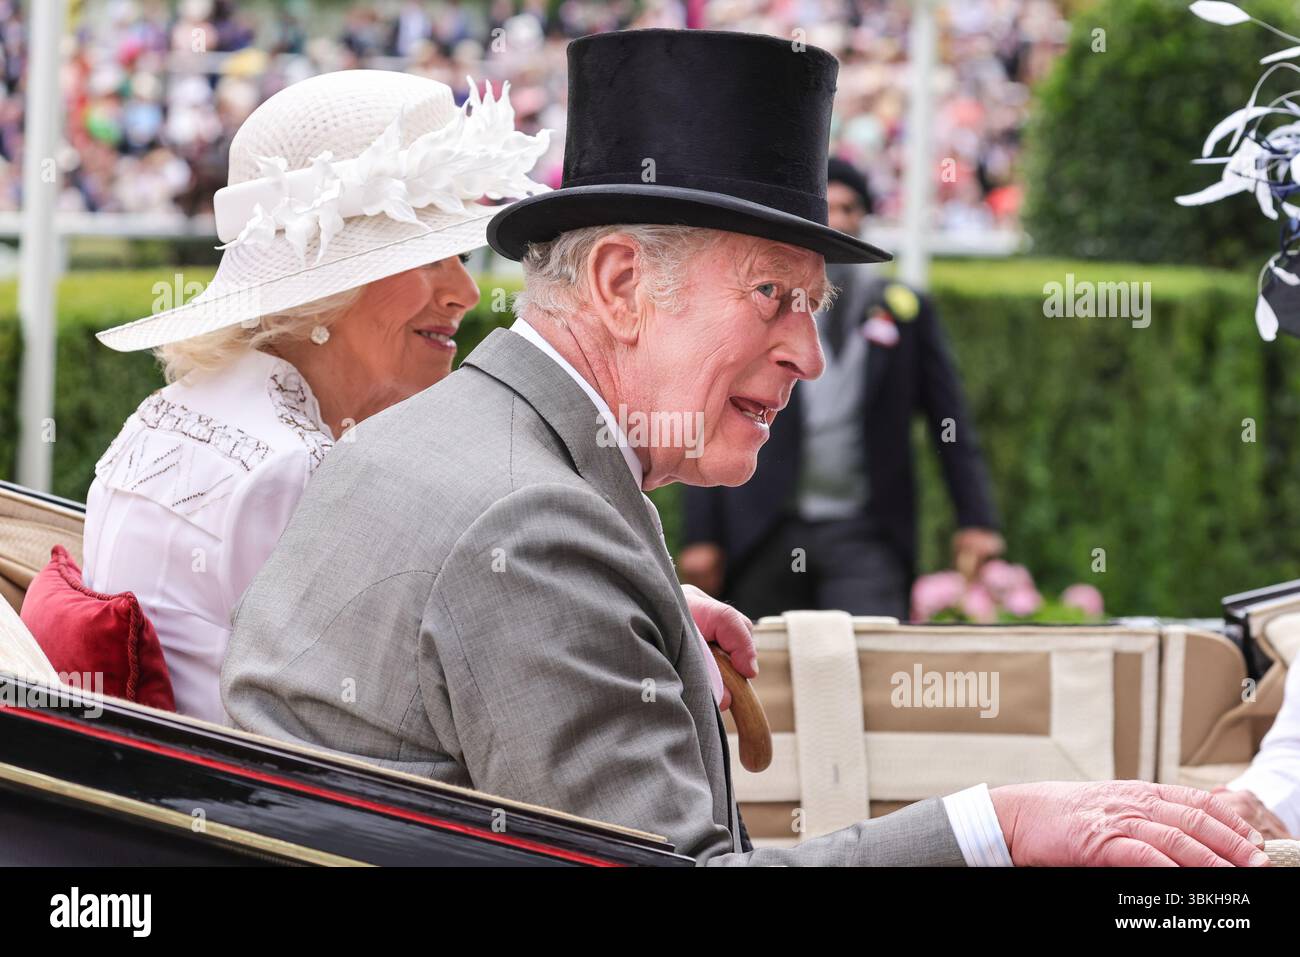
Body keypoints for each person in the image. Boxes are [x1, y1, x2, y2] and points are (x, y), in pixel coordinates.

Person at [222, 29, 1266, 867]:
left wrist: (633, 611)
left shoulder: (462, 452)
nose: (807, 355)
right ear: (621, 284)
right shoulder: (529, 527)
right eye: (773, 295)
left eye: (813, 306)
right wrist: (998, 829)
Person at [82, 69, 550, 723]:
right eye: (428, 258)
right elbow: (384, 721)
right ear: (325, 291)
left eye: (461, 259)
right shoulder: (294, 465)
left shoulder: (179, 409)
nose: (464, 294)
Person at [680, 157, 1002, 619]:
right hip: (768, 527)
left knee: (868, 664)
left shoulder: (904, 312)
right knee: (762, 671)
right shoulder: (756, 306)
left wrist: (976, 520)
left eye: (850, 208)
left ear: (863, 222)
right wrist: (702, 534)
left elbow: (949, 421)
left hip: (865, 533)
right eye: (828, 209)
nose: (840, 219)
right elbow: (711, 410)